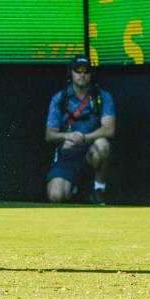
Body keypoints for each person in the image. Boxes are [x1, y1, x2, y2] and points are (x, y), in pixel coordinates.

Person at [45, 56, 115, 205]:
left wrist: (84, 138)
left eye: (86, 71)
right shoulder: (60, 98)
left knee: (103, 145)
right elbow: (49, 135)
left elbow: (109, 130)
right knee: (56, 196)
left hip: (91, 153)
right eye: (78, 70)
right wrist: (66, 136)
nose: (82, 74)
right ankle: (76, 189)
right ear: (71, 72)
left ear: (91, 74)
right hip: (67, 157)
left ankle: (99, 190)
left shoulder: (103, 97)